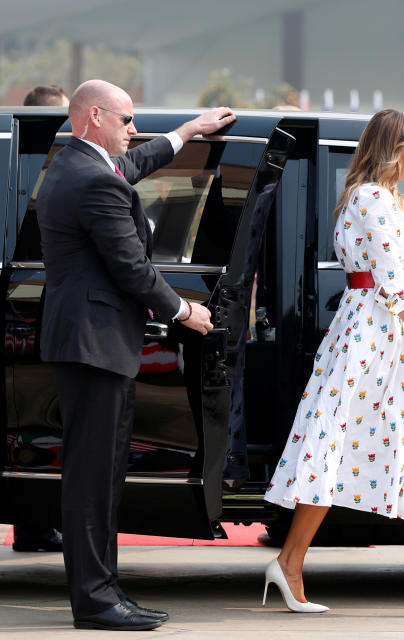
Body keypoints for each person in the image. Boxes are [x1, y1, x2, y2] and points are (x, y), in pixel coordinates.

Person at [36, 79, 234, 631]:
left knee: (98, 478)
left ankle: (103, 593)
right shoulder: (93, 179)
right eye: (126, 120)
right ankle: (97, 602)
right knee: (93, 481)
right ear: (94, 116)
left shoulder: (80, 165)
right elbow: (130, 267)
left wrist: (189, 132)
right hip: (94, 346)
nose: (133, 130)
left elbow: (136, 161)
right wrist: (183, 312)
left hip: (92, 344)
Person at [262, 109, 404, 618]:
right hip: (370, 335)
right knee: (332, 443)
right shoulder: (368, 199)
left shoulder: (386, 200)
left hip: (390, 336)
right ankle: (289, 562)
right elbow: (390, 285)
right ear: (390, 149)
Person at [11, 84, 70, 554]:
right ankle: (32, 523)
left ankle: (33, 525)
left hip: (36, 308)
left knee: (35, 419)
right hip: (32, 309)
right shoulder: (44, 166)